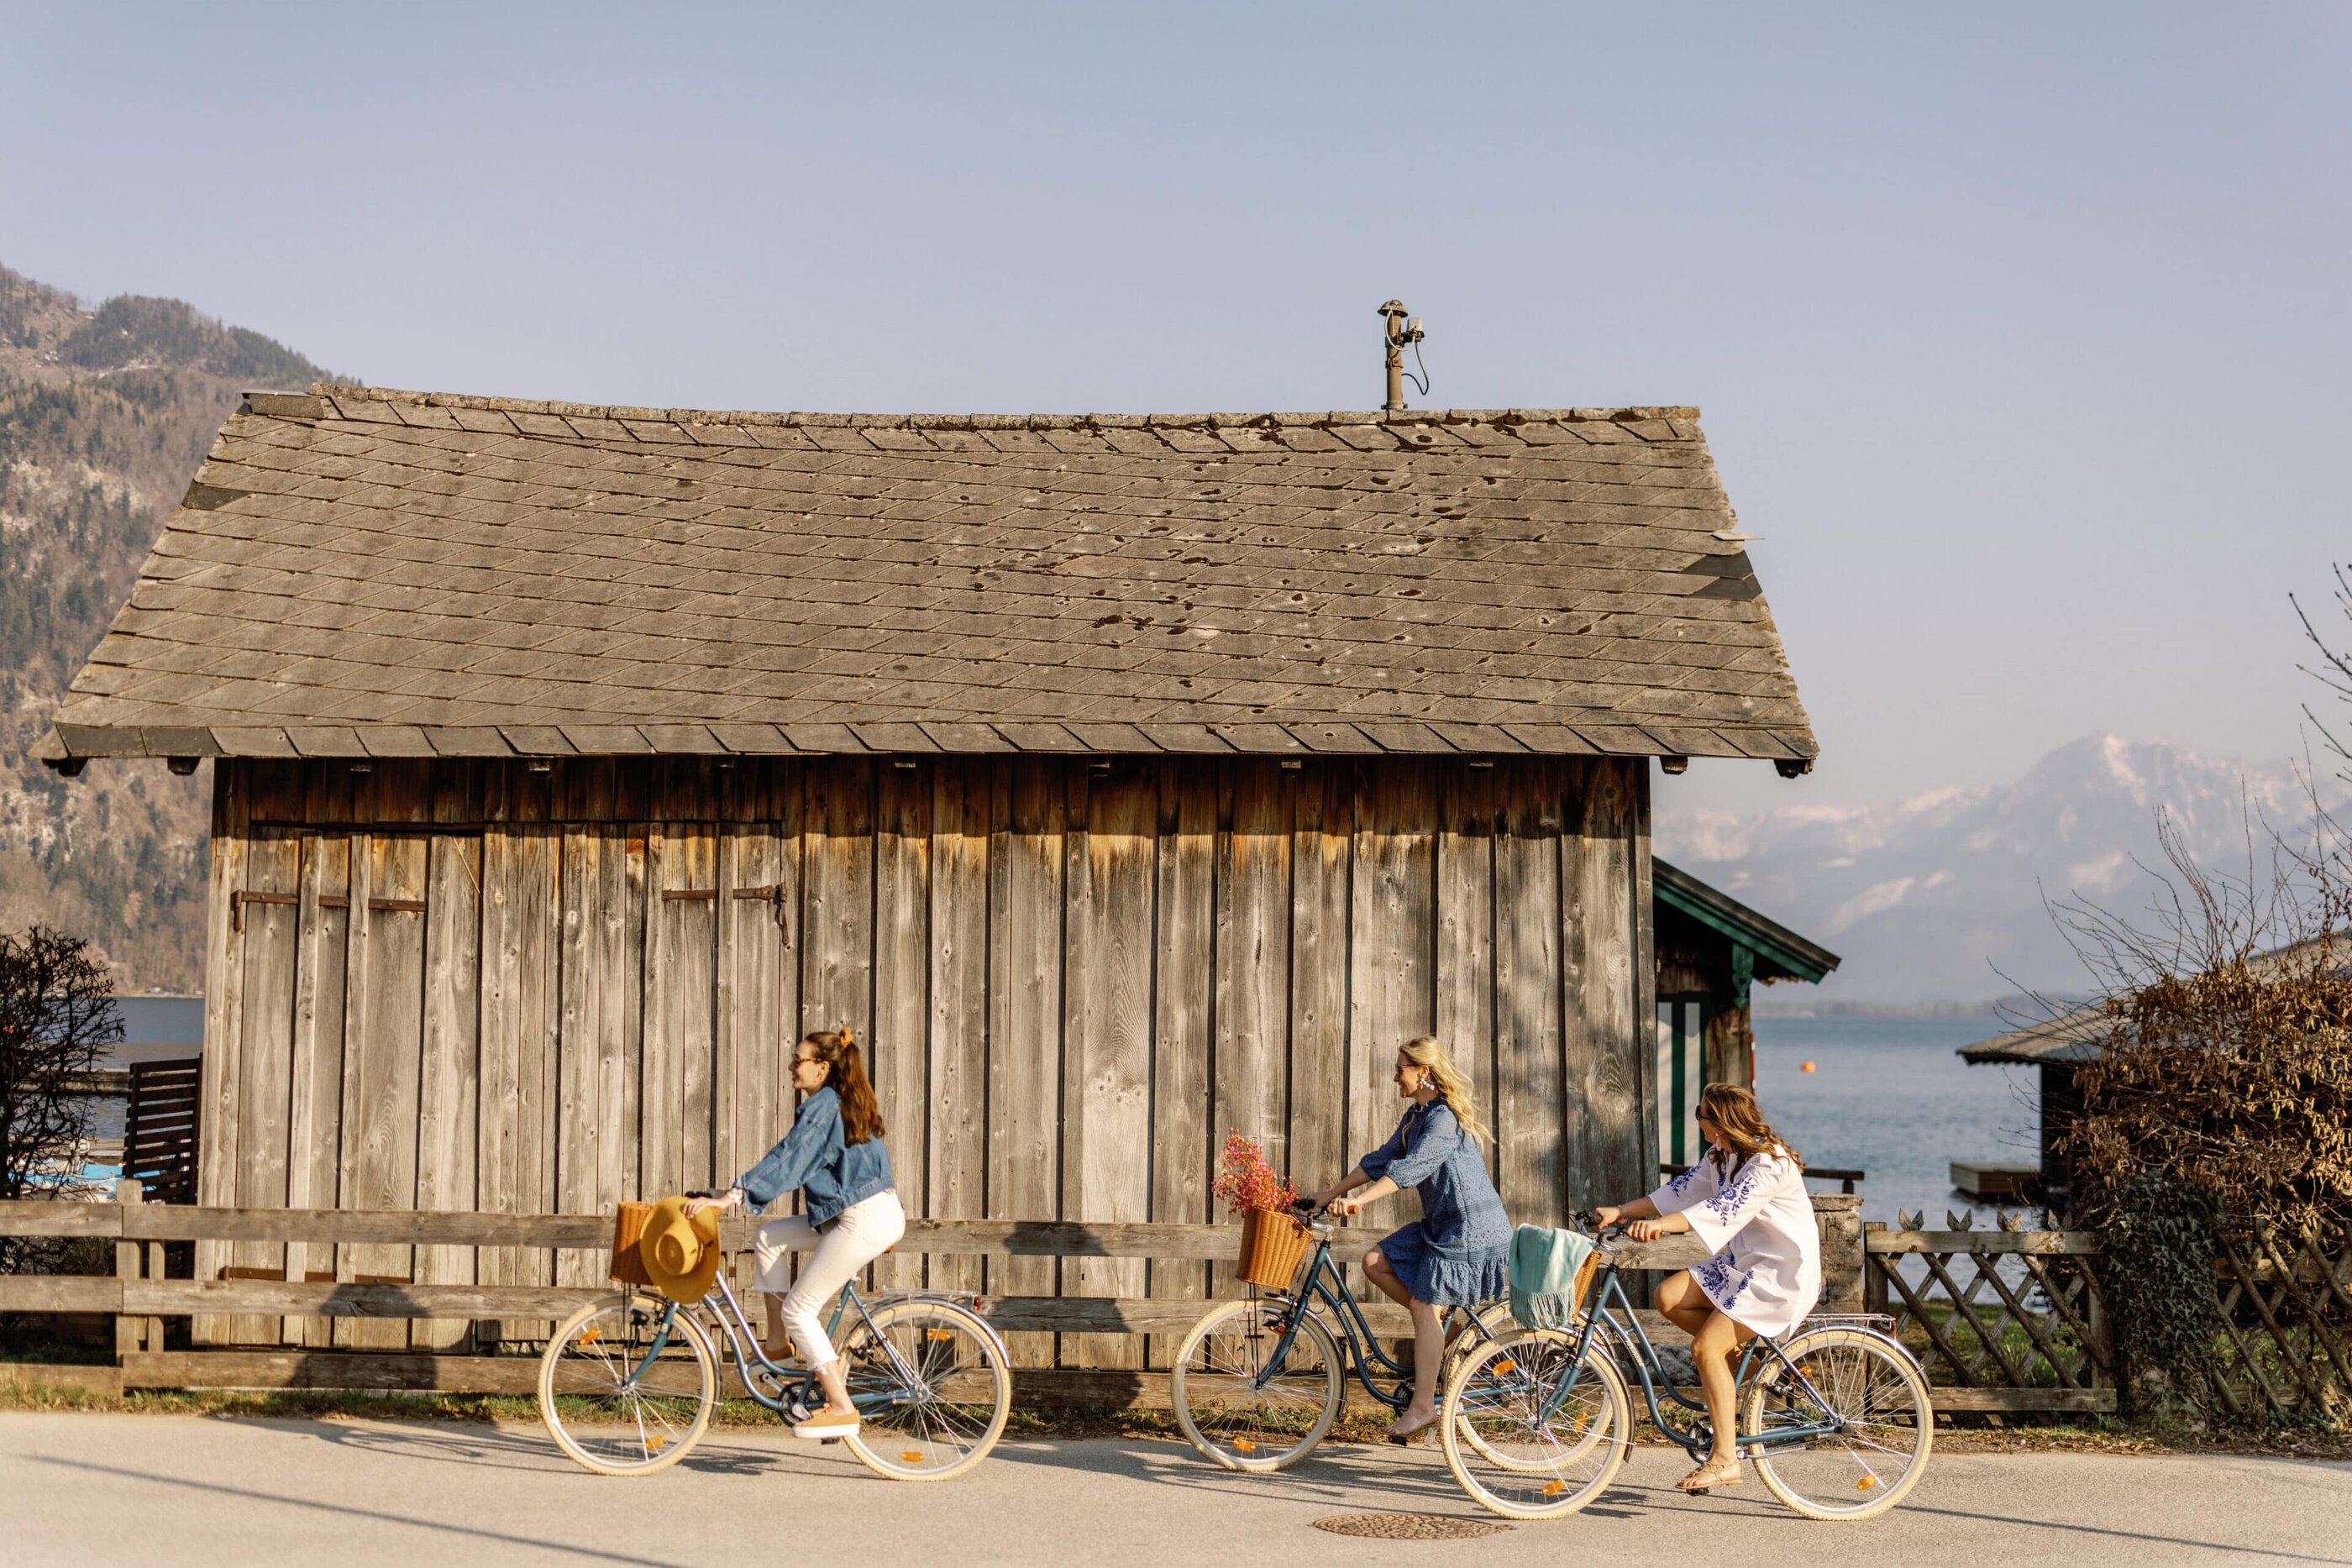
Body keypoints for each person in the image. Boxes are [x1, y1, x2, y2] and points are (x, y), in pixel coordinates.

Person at [1593, 1083, 1819, 1492]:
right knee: (1668, 1297)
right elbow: (1679, 1193)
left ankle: (1725, 1459)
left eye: (1700, 1112)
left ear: (1718, 1122)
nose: (1696, 1118)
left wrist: (1661, 1227)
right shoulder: (1720, 1156)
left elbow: (1720, 1210)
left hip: (1779, 1275)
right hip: (1741, 1264)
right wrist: (1621, 1211)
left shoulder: (1769, 1165)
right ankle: (1751, 1372)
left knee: (1705, 1349)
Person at [687, 1026, 904, 1440]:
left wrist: (736, 1195)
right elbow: (790, 1158)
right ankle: (776, 1344)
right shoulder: (836, 1101)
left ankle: (841, 1406)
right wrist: (728, 1192)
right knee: (770, 1237)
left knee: (800, 1309)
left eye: (798, 1060)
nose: (791, 1066)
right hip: (858, 1213)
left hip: (863, 1217)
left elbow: (790, 1159)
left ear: (822, 1068)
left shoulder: (824, 1106)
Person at [1302, 1036, 1509, 1443]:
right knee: (1376, 1262)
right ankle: (1445, 1334)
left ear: (1423, 1072)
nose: (1395, 1076)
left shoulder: (1443, 1119)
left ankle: (1423, 1407)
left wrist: (1360, 1202)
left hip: (1469, 1227)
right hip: (1440, 1222)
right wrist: (1328, 1194)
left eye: (1401, 1068)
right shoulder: (1418, 1115)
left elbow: (1410, 1170)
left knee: (1421, 1304)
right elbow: (1381, 1159)